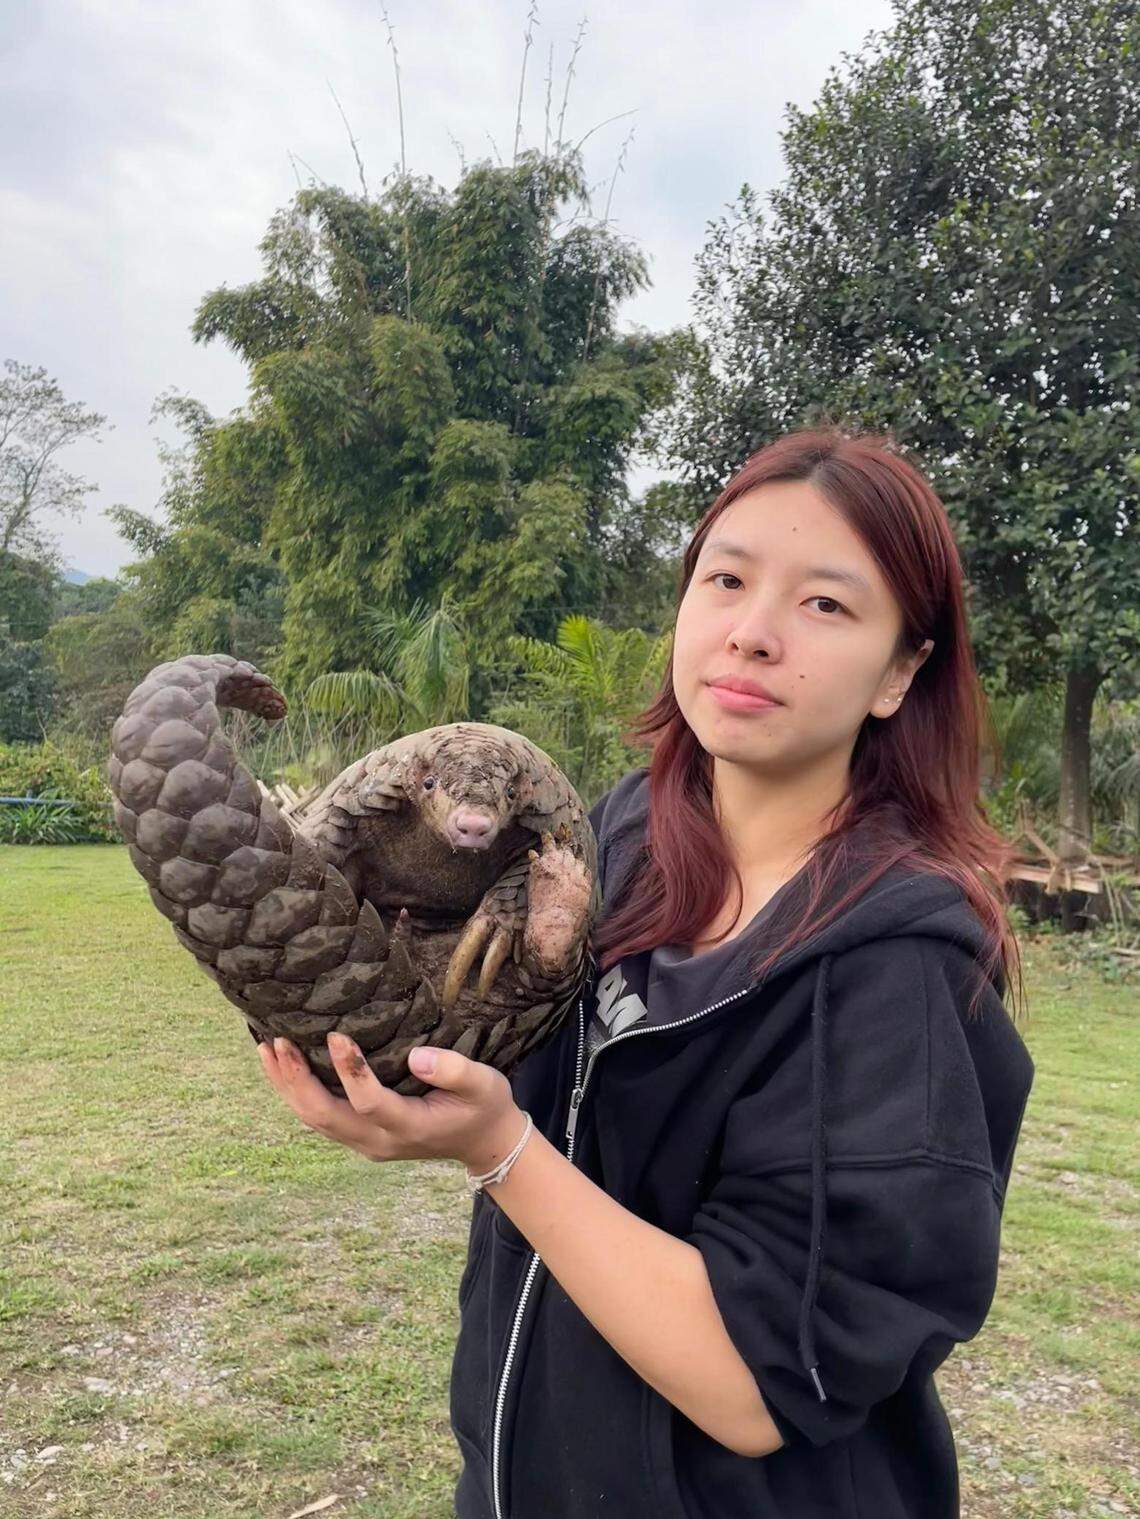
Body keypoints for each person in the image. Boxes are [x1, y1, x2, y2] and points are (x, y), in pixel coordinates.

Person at [257, 425, 1036, 1519]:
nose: (752, 633)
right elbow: (484, 1033)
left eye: (826, 604)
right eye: (726, 578)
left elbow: (763, 1377)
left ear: (902, 671)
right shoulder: (602, 843)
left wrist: (496, 1147)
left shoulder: (899, 971)